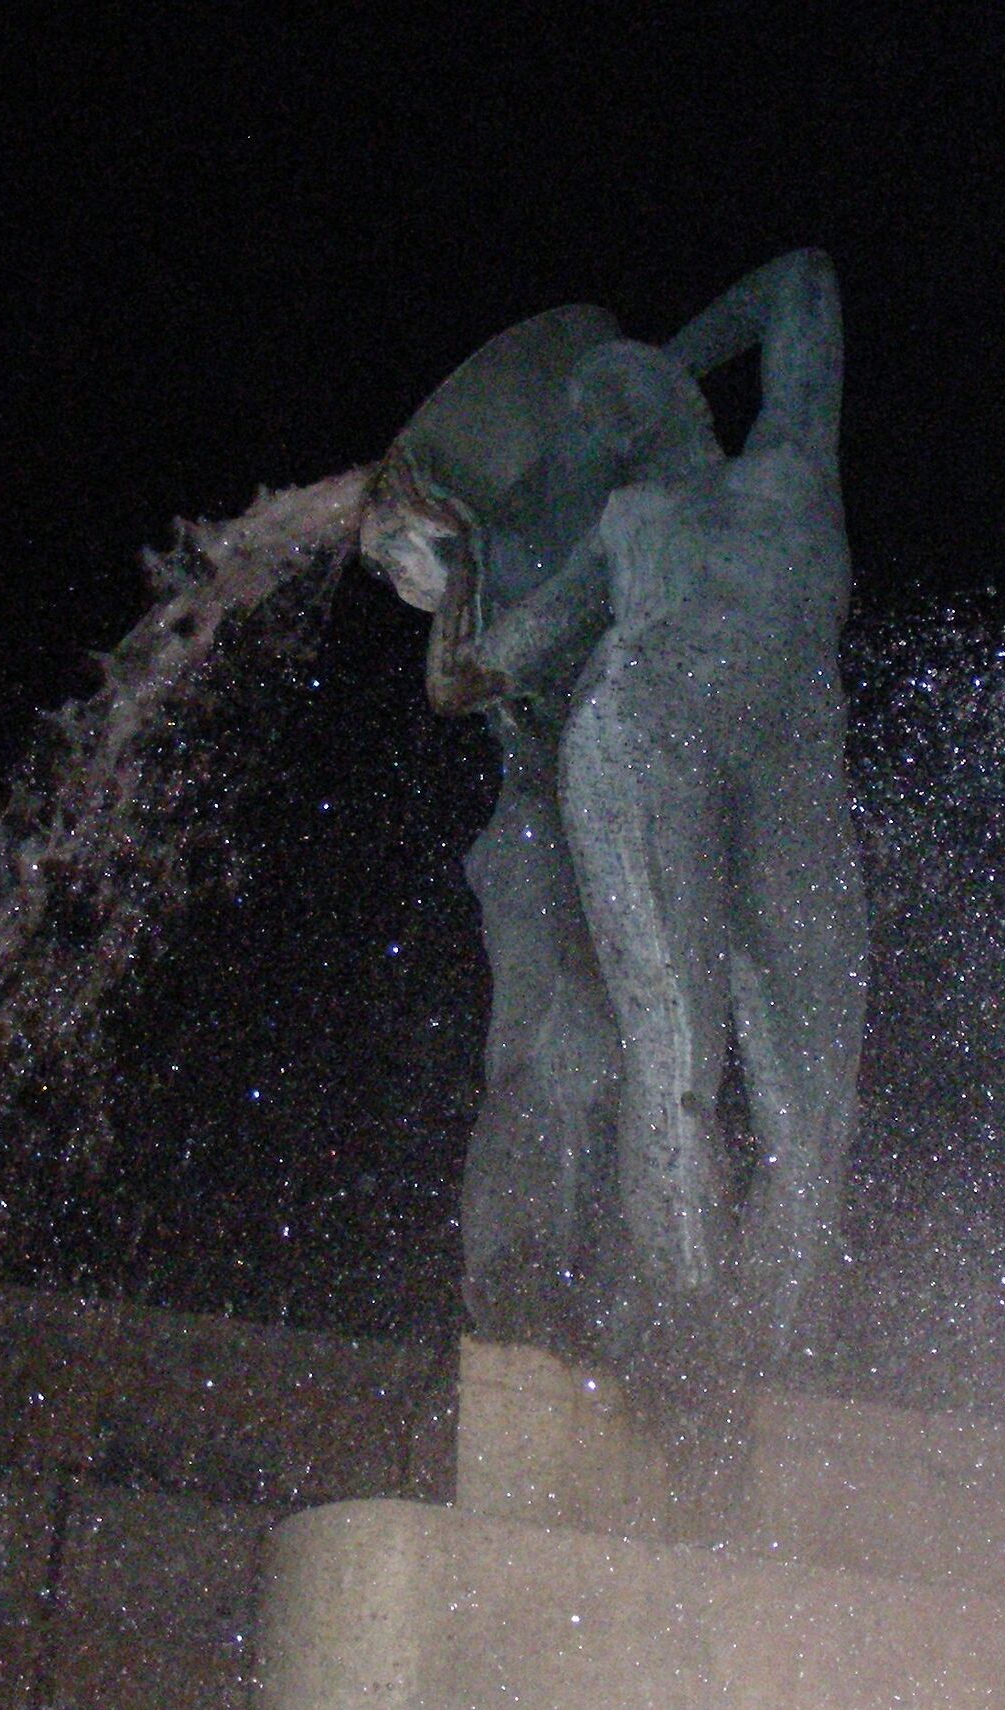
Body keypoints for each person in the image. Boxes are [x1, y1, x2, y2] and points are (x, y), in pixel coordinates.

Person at [364, 250, 868, 1377]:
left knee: (801, 1058)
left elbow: (801, 282)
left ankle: (772, 1337)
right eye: (598, 409)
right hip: (610, 764)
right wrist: (462, 591)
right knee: (601, 1038)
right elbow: (476, 671)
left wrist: (640, 370)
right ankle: (560, 1300)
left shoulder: (779, 473)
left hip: (761, 770)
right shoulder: (620, 520)